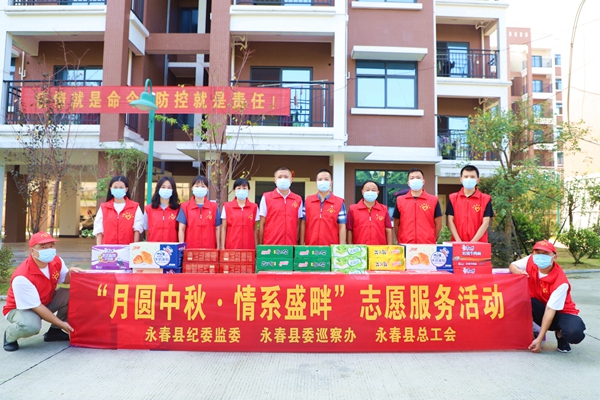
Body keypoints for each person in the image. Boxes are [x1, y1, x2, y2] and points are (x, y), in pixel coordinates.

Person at [3, 232, 83, 352]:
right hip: (20, 308)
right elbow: (37, 306)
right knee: (31, 326)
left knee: (73, 294)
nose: (49, 250)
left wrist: (71, 273)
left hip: (45, 300)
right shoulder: (22, 276)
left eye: (51, 246)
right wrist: (62, 324)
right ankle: (10, 335)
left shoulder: (56, 261)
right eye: (43, 247)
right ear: (32, 251)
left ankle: (54, 332)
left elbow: (65, 280)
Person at [509, 240, 586, 353]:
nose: (540, 256)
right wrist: (517, 271)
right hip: (541, 307)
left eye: (545, 253)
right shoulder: (530, 260)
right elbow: (512, 265)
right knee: (522, 300)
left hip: (561, 313)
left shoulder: (560, 282)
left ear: (554, 257)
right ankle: (528, 334)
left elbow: (550, 309)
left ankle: (560, 334)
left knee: (574, 333)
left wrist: (539, 340)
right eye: (538, 252)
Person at [393, 168, 442, 244]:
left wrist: (432, 238)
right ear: (408, 183)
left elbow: (438, 223)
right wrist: (401, 239)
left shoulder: (433, 200)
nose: (415, 180)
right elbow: (396, 223)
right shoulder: (400, 200)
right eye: (412, 178)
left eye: (418, 177)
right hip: (406, 243)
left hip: (427, 244)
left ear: (423, 181)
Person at [446, 165, 493, 242]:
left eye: (472, 177)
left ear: (477, 180)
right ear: (461, 179)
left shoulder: (485, 199)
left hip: (479, 243)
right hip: (458, 243)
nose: (469, 179)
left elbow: (486, 223)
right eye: (466, 176)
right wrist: (458, 240)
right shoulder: (453, 198)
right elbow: (450, 221)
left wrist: (472, 243)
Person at [300, 169, 347, 245]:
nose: (323, 181)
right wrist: (302, 243)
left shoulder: (339, 202)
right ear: (316, 182)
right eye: (320, 179)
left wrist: (341, 247)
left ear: (331, 182)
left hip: (330, 246)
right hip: (311, 246)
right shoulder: (308, 201)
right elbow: (303, 223)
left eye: (326, 179)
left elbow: (342, 226)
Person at [258, 166, 303, 245]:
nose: (283, 179)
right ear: (275, 180)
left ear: (291, 180)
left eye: (286, 177)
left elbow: (298, 224)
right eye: (280, 177)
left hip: (290, 244)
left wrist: (297, 242)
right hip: (270, 245)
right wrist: (260, 245)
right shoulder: (266, 197)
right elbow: (262, 224)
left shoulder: (298, 199)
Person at [93, 175, 144, 245]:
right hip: (108, 249)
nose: (118, 189)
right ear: (110, 189)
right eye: (115, 187)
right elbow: (99, 229)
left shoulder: (134, 207)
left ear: (126, 189)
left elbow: (137, 229)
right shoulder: (104, 207)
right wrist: (99, 247)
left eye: (121, 187)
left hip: (127, 247)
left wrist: (134, 247)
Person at [178, 175, 221, 249]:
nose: (200, 188)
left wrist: (218, 247)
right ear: (192, 188)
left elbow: (218, 228)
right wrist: (182, 247)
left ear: (207, 189)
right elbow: (181, 229)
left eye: (203, 186)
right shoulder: (185, 206)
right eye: (197, 186)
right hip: (190, 248)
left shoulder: (214, 207)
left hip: (210, 248)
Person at [347, 180, 393, 245]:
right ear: (362, 192)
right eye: (367, 190)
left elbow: (388, 229)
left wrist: (390, 247)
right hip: (359, 248)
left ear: (378, 192)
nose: (370, 192)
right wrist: (350, 246)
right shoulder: (353, 209)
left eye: (373, 190)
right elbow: (349, 230)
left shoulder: (384, 209)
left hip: (379, 248)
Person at [221, 178, 259, 249]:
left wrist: (256, 248)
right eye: (238, 188)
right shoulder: (227, 206)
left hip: (249, 246)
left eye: (244, 188)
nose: (241, 190)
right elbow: (224, 228)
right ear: (234, 190)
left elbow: (255, 229)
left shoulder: (254, 207)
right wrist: (222, 247)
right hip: (232, 246)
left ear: (248, 190)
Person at [144, 176, 180, 242]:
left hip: (171, 246)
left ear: (173, 190)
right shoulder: (149, 209)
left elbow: (180, 229)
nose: (166, 190)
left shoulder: (178, 209)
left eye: (169, 187)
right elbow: (146, 229)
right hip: (154, 245)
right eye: (163, 187)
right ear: (158, 189)